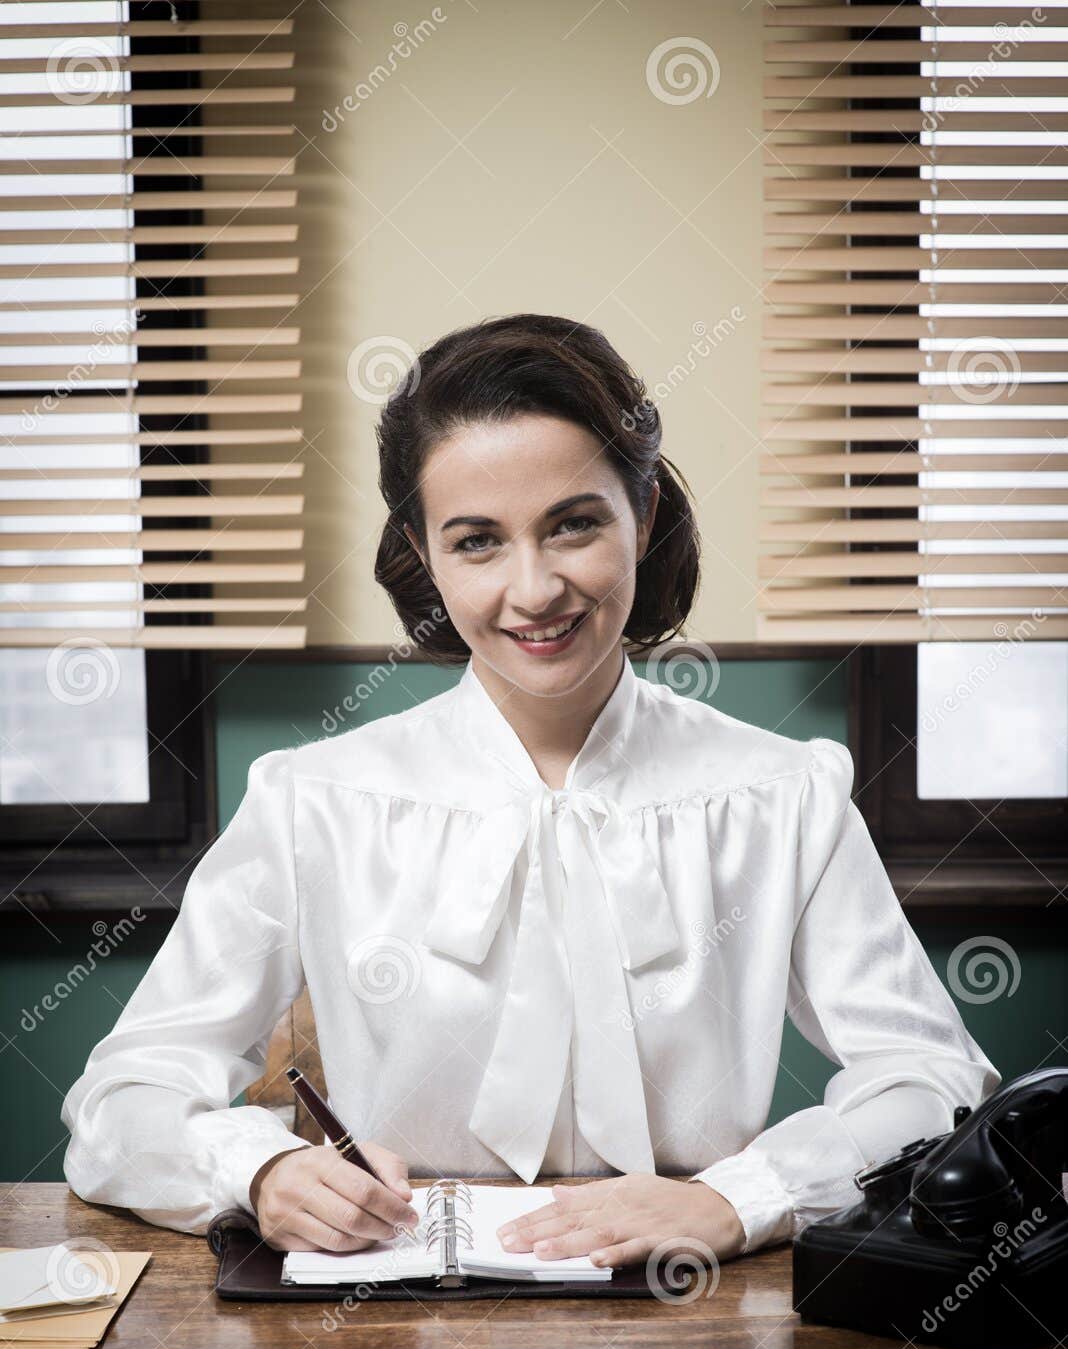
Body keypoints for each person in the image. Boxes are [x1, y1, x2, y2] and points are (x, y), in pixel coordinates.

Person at [61, 312, 1001, 1271]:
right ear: (423, 557)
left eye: (575, 524)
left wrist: (739, 1198)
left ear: (644, 517)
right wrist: (257, 1172)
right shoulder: (313, 800)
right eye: (477, 542)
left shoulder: (784, 795)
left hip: (698, 1308)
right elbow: (120, 1102)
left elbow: (933, 1081)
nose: (536, 588)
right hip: (390, 1328)